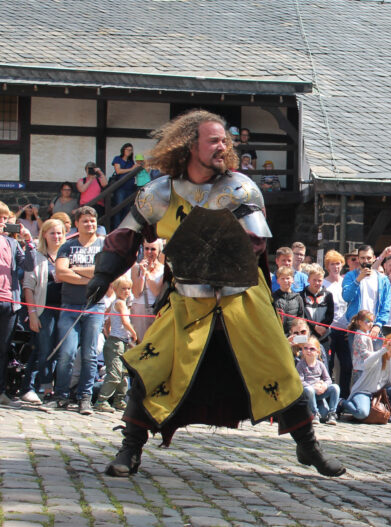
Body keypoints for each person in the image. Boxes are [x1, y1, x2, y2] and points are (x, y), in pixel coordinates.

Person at [86, 110, 344, 478]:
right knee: (154, 368)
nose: (223, 146)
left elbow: (254, 244)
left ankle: (309, 448)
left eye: (225, 141)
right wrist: (103, 274)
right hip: (188, 303)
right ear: (191, 145)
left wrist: (208, 248)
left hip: (242, 303)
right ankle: (130, 450)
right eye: (214, 140)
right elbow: (126, 236)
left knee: (280, 370)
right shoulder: (160, 193)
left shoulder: (239, 188)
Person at [44, 206, 102, 415]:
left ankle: (84, 397)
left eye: (92, 220)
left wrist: (74, 269)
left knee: (89, 355)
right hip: (69, 306)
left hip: (95, 306)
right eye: (85, 221)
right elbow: (60, 273)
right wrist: (90, 278)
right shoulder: (67, 246)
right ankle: (61, 396)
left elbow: (104, 271)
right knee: (67, 353)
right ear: (77, 224)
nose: (89, 224)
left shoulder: (104, 246)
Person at [20, 218, 65, 403]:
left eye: (59, 233)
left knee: (56, 350)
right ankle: (35, 387)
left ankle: (40, 386)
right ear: (44, 235)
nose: (56, 236)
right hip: (43, 308)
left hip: (64, 308)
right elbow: (28, 287)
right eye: (52, 233)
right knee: (44, 348)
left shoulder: (66, 255)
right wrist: (32, 314)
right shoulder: (36, 256)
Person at [0, 202, 35, 406]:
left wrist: (28, 242)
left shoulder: (12, 244)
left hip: (9, 303)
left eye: (5, 219)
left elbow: (28, 265)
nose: (2, 222)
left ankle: (1, 391)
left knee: (4, 349)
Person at [96, 276, 138, 413]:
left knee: (123, 374)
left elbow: (107, 323)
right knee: (114, 374)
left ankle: (119, 400)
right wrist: (133, 333)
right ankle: (101, 401)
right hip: (117, 342)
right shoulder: (120, 303)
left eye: (129, 289)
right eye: (123, 289)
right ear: (115, 289)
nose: (127, 291)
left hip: (120, 341)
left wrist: (109, 334)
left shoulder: (115, 303)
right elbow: (125, 322)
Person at [343, 333, 391, 423]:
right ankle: (342, 402)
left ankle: (386, 411)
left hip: (378, 393)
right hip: (363, 391)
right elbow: (366, 363)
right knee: (361, 414)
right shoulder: (377, 356)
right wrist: (385, 349)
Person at [342, 245, 391, 342]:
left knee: (375, 357)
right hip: (356, 327)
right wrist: (358, 280)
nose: (366, 261)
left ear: (374, 258)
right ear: (358, 259)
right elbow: (346, 297)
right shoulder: (350, 276)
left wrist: (378, 325)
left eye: (368, 258)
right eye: (362, 258)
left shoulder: (383, 279)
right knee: (357, 357)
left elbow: (386, 305)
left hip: (374, 327)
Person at [322, 250, 351, 396]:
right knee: (329, 364)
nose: (336, 267)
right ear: (327, 266)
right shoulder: (323, 283)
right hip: (329, 330)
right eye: (332, 264)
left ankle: (343, 397)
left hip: (345, 329)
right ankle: (329, 398)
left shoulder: (346, 282)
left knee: (347, 365)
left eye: (338, 264)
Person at [296, 339, 339, 425]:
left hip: (319, 392)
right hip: (308, 393)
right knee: (309, 390)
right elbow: (300, 381)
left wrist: (324, 386)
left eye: (312, 349)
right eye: (306, 348)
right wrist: (313, 387)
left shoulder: (320, 364)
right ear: (303, 351)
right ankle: (314, 413)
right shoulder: (300, 364)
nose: (308, 351)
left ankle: (332, 413)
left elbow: (328, 379)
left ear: (317, 352)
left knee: (335, 387)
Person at [130, 239, 164, 338]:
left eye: (153, 249)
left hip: (157, 309)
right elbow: (136, 293)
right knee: (141, 341)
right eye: (146, 248)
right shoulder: (136, 268)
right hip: (140, 308)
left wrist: (147, 274)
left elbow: (156, 292)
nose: (149, 252)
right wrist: (142, 274)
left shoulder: (163, 269)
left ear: (159, 251)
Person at [301, 264, 333, 355]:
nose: (317, 283)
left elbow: (330, 315)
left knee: (325, 362)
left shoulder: (328, 295)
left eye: (319, 280)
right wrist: (314, 327)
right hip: (307, 336)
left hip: (324, 335)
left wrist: (324, 327)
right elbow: (303, 314)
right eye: (314, 280)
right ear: (308, 280)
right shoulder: (301, 295)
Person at [349, 310, 377, 386]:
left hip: (366, 368)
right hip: (360, 369)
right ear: (360, 322)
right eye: (368, 321)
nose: (371, 324)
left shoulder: (366, 334)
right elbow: (363, 353)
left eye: (372, 321)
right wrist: (377, 355)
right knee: (358, 389)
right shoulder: (360, 336)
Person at [273, 267, 305, 333]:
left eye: (288, 278)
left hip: (293, 334)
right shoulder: (273, 297)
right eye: (282, 278)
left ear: (292, 280)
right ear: (278, 281)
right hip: (278, 333)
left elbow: (301, 317)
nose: (285, 281)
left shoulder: (298, 298)